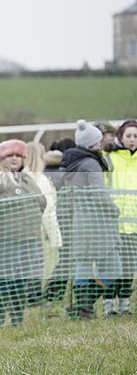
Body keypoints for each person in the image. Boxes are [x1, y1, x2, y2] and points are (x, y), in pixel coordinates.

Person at [58, 120, 122, 319]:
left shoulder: (72, 163)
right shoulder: (91, 163)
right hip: (98, 223)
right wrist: (114, 209)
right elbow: (100, 194)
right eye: (98, 139)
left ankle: (82, 309)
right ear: (92, 142)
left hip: (79, 221)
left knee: (83, 265)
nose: (102, 142)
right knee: (115, 268)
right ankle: (86, 305)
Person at [0, 139, 46, 326]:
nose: (14, 159)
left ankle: (16, 319)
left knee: (21, 280)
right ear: (1, 158)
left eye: (18, 156)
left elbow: (41, 201)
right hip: (5, 239)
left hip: (29, 238)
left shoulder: (26, 178)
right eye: (9, 155)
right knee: (4, 279)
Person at [104, 119, 137, 316]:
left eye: (136, 136)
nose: (132, 140)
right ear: (120, 138)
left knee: (129, 266)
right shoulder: (109, 158)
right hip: (114, 223)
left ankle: (125, 304)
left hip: (134, 224)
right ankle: (109, 305)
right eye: (129, 136)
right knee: (111, 266)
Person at [23, 141, 61, 307]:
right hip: (33, 227)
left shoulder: (25, 175)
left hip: (28, 226)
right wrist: (54, 234)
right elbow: (47, 207)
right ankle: (33, 297)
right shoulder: (37, 178)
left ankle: (28, 295)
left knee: (29, 262)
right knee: (35, 262)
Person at [42, 138, 77, 306]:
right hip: (63, 219)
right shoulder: (64, 172)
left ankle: (53, 293)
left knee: (66, 258)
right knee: (67, 259)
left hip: (55, 219)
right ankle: (52, 293)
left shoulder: (45, 169)